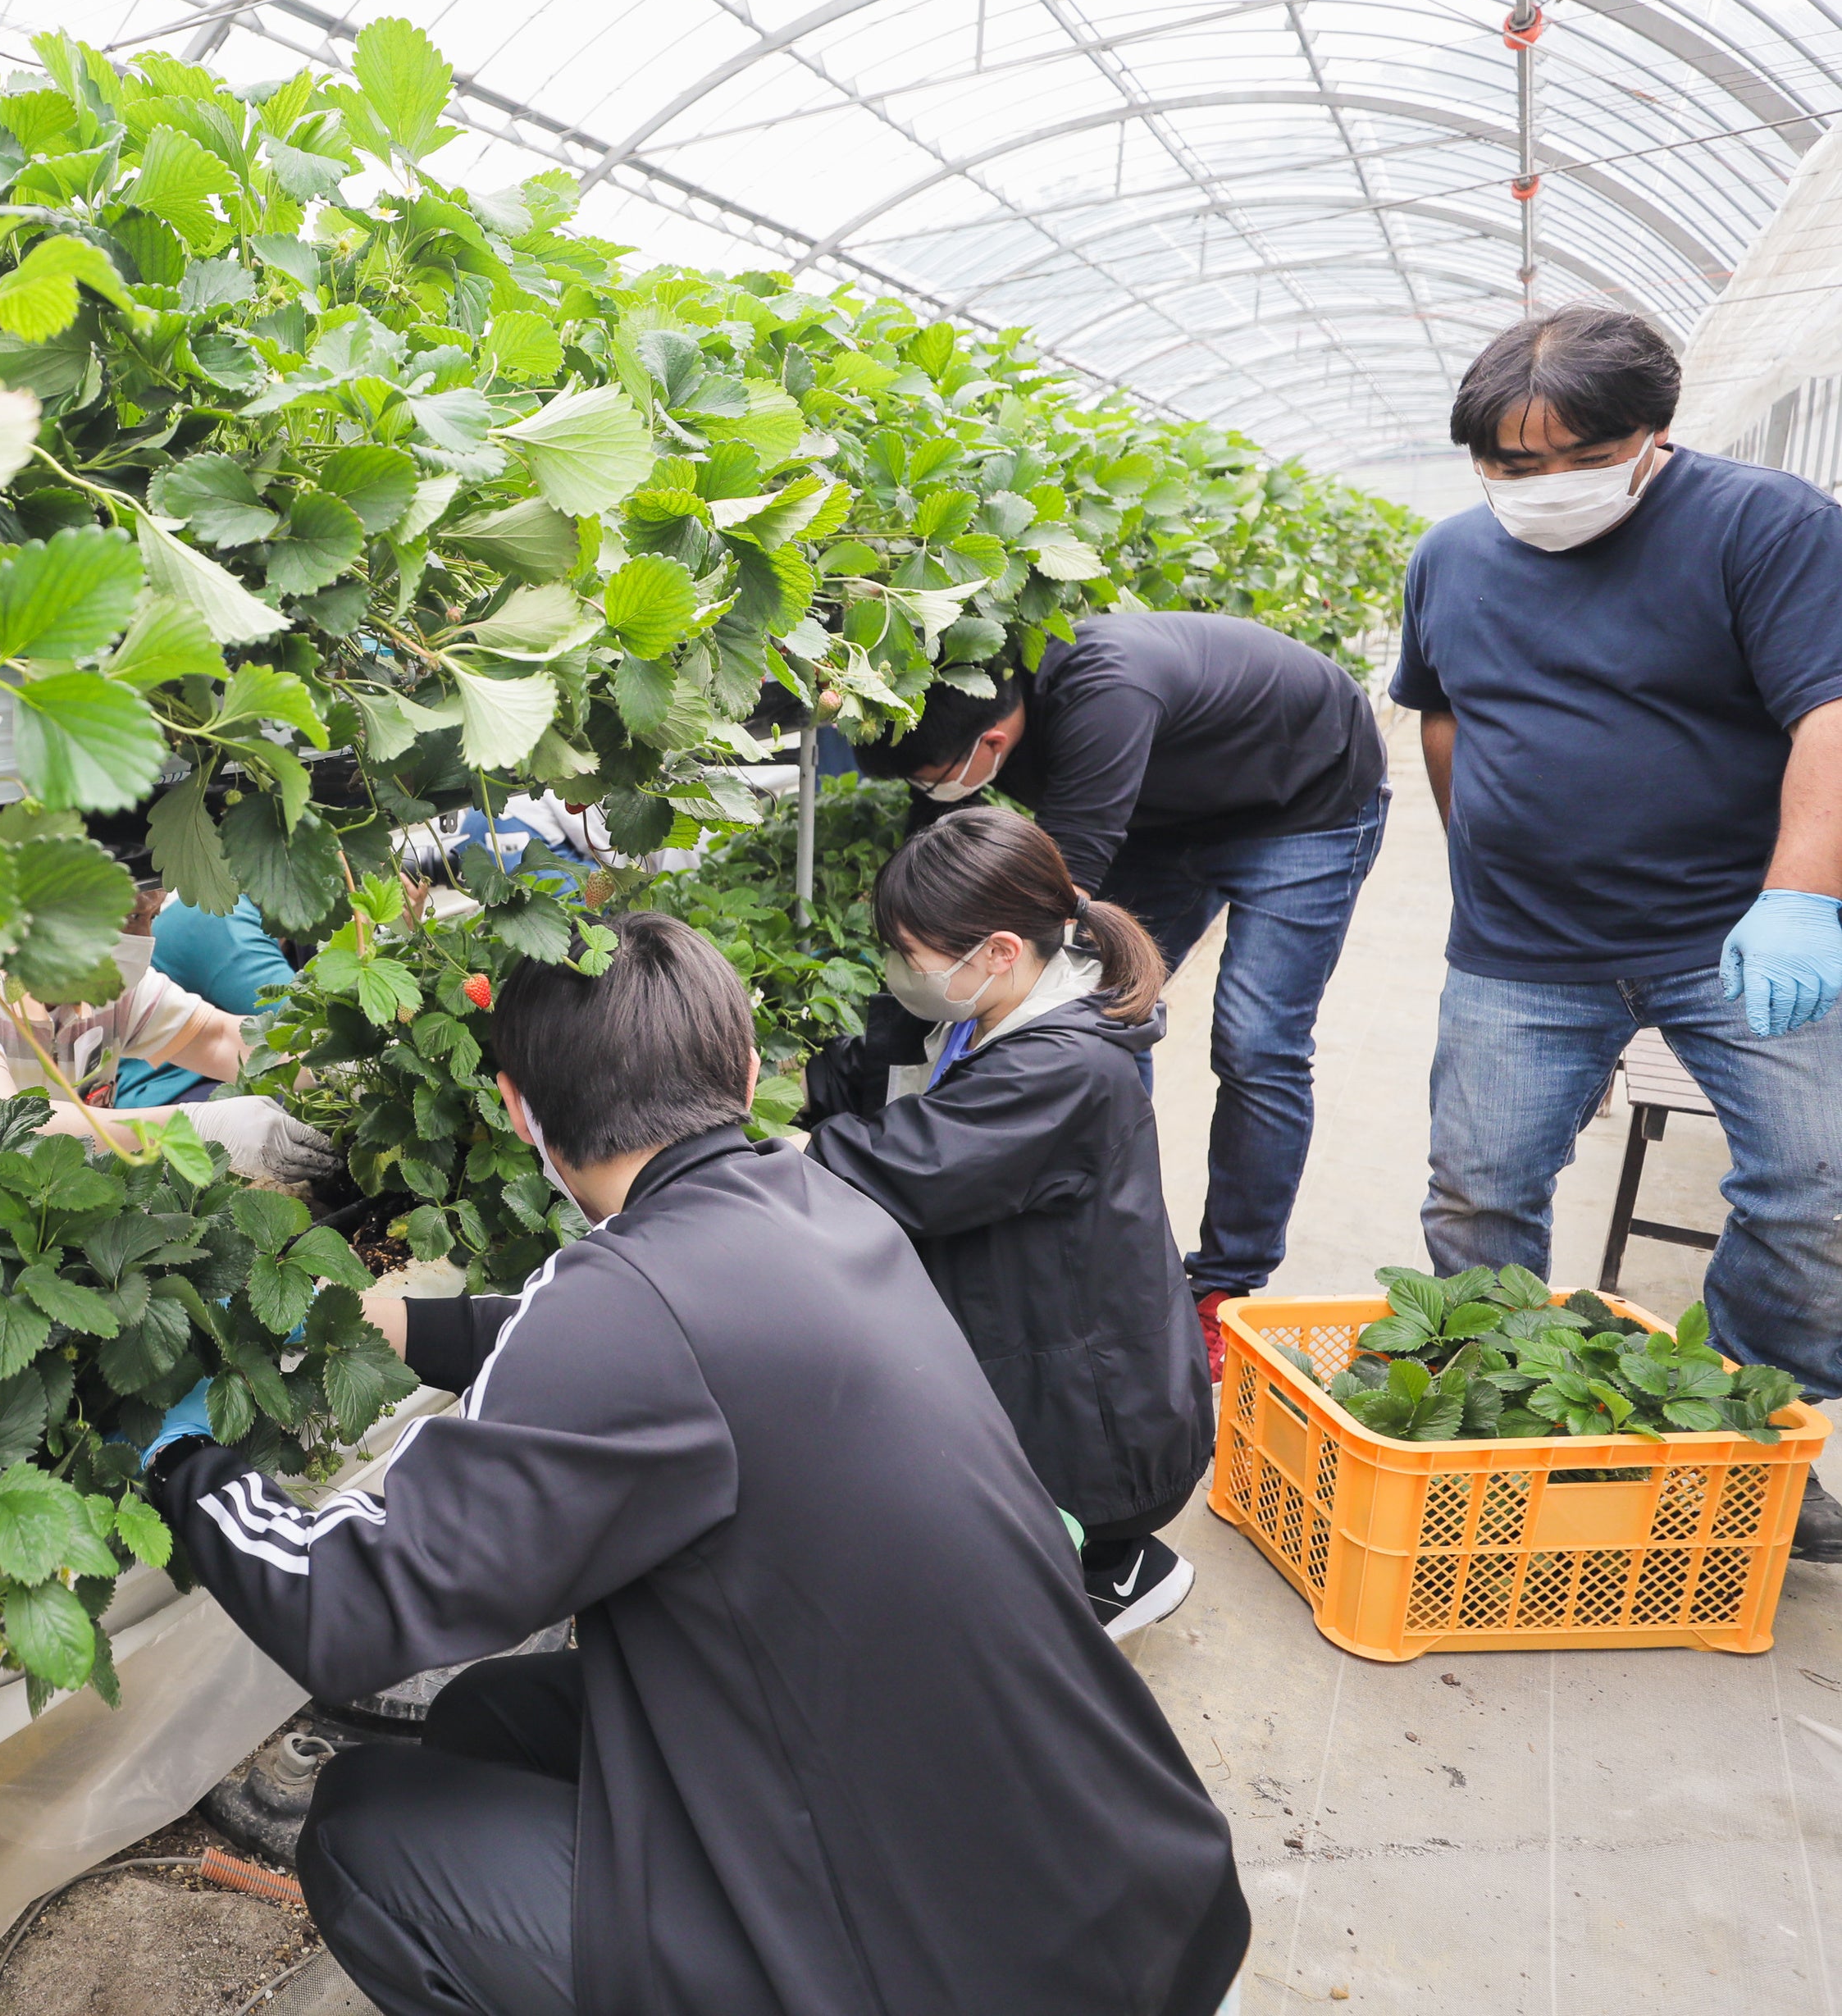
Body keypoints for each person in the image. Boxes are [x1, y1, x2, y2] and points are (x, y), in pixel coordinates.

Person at [139, 911, 1247, 2016]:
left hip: (968, 1978)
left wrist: (183, 1457)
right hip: (1106, 1881)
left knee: (370, 1826)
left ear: (518, 1108)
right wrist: (390, 1323)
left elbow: (352, 1604)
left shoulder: (623, 1310)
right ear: (746, 1067)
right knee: (490, 1718)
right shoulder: (813, 1206)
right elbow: (615, 1336)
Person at [1388, 305, 1842, 1561]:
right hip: (1524, 952)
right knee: (1480, 1201)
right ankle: (1484, 1420)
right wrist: (1483, 858)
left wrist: (1803, 896)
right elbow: (1441, 714)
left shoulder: (1767, 526)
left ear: (1653, 434)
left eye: (1577, 458)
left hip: (1731, 936)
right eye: (1507, 466)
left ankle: (1753, 1432)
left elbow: (1831, 711)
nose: (1539, 488)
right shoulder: (1450, 559)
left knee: (1819, 1192)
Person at [852, 609, 1388, 1375]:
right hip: (1170, 812)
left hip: (1304, 801)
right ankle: (1126, 1243)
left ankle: (1225, 1290)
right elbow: (940, 874)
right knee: (1101, 1007)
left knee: (1255, 1044)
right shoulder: (967, 702)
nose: (923, 789)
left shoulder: (1105, 696)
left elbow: (1049, 912)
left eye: (925, 778)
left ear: (993, 746)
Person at [796, 811, 1215, 1639]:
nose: (896, 974)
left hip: (1102, 1439)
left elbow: (902, 1164)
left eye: (909, 958)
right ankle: (1080, 1558)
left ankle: (1105, 1569)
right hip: (1058, 1380)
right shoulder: (983, 1009)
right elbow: (875, 1074)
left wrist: (765, 1148)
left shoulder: (1066, 1066)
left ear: (996, 951)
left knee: (927, 1599)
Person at [0, 880, 335, 1186]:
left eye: (152, 915)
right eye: (132, 916)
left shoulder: (108, 988)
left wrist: (336, 1065)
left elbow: (221, 1041)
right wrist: (192, 1130)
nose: (146, 940)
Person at [113, 892, 300, 1108]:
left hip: (211, 1067)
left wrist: (330, 1071)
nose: (147, 935)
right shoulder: (221, 920)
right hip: (162, 1092)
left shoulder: (138, 988)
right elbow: (297, 1016)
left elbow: (216, 1037)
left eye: (152, 917)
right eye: (133, 918)